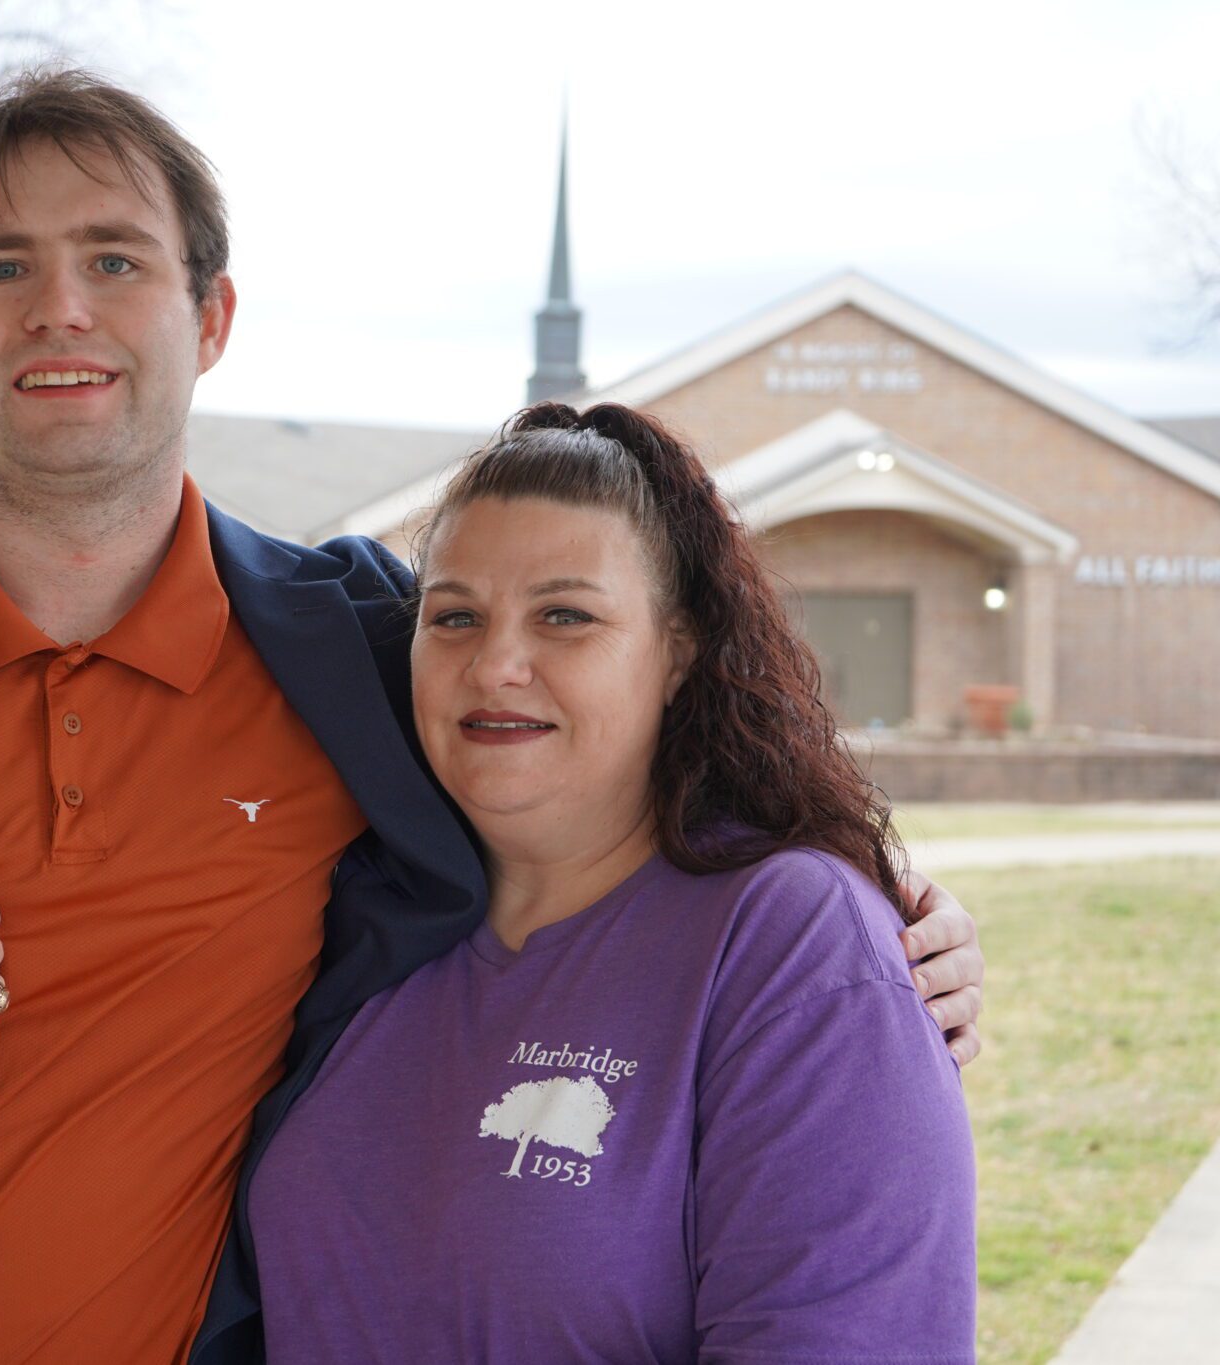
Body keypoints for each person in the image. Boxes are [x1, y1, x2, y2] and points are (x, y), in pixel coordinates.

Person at [0, 69, 985, 1365]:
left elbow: (583, 735)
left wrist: (872, 917)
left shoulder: (356, 639)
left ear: (210, 317)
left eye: (116, 258)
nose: (61, 307)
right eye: (0, 267)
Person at [250, 402, 977, 1362]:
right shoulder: (357, 914)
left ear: (679, 650)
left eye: (566, 615)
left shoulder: (787, 941)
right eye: (455, 615)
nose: (496, 664)